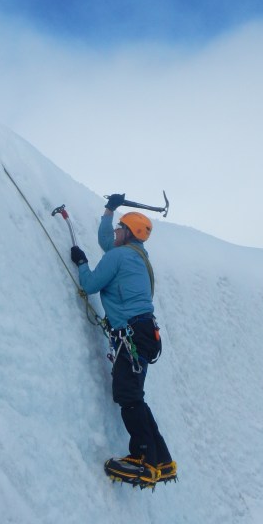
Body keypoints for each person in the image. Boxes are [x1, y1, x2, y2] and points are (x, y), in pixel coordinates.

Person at [70, 193, 177, 488]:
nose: (115, 231)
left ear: (128, 233)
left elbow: (90, 284)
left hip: (130, 334)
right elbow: (107, 241)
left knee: (128, 396)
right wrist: (109, 210)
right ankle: (162, 461)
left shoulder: (119, 256)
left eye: (119, 227)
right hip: (144, 333)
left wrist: (81, 263)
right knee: (134, 396)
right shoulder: (136, 256)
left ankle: (144, 459)